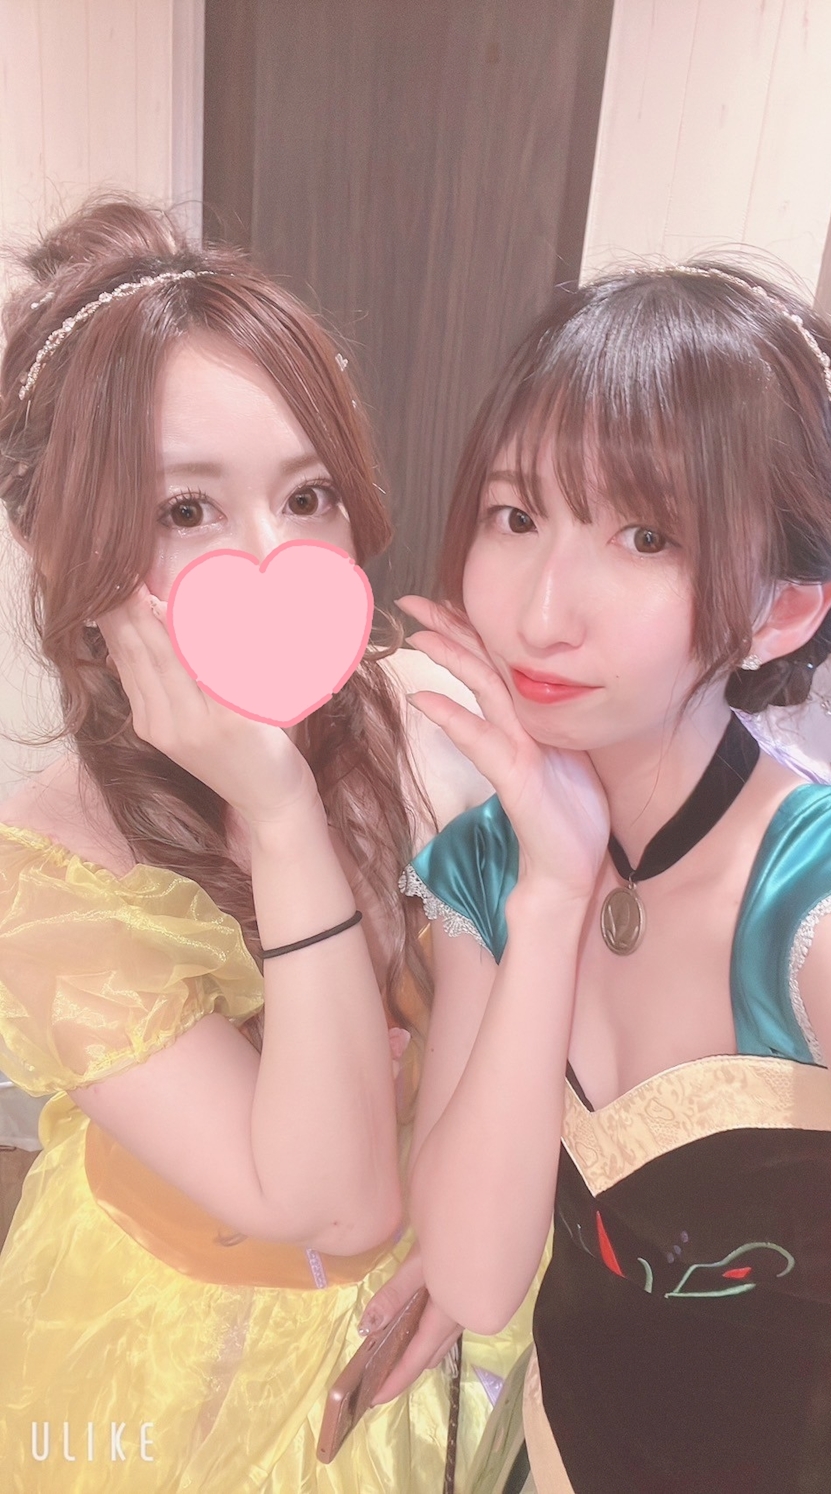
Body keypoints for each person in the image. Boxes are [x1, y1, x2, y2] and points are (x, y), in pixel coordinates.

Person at [0, 197, 531, 1492]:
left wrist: (469, 1221)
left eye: (308, 496)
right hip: (175, 1358)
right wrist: (282, 813)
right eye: (187, 508)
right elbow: (336, 1198)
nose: (271, 558)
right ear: (58, 540)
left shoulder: (427, 722)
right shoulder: (48, 874)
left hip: (425, 1314)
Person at [399, 262, 831, 1494]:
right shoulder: (489, 867)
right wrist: (549, 895)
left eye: (646, 537)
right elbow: (477, 1277)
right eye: (515, 516)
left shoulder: (812, 902)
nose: (543, 613)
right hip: (561, 1449)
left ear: (783, 610)